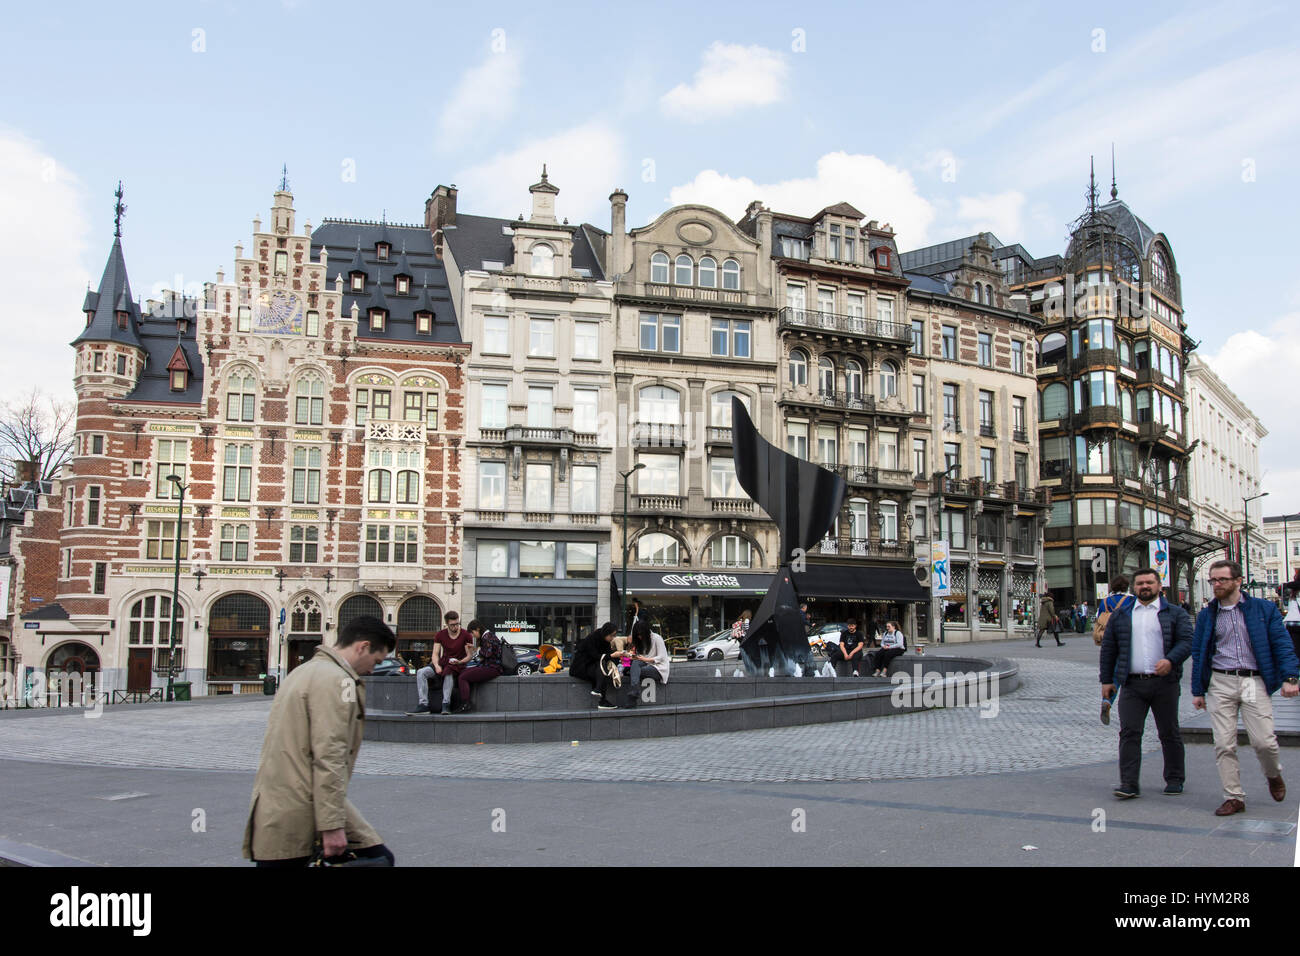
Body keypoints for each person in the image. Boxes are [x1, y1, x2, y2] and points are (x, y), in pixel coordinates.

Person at [243, 615, 396, 867]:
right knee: (379, 860)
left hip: (280, 803)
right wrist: (332, 826)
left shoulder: (302, 671)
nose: (372, 670)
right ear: (363, 647)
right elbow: (330, 754)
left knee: (379, 856)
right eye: (376, 661)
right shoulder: (339, 680)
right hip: (301, 804)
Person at [1190, 560, 1300, 816]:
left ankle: (1273, 775)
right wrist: (1198, 690)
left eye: (1222, 580)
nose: (1216, 585)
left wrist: (1291, 677)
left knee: (1264, 742)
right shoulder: (1208, 615)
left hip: (1252, 681)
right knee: (1224, 744)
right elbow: (1199, 652)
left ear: (1238, 581)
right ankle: (1234, 796)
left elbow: (1282, 644)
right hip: (1221, 682)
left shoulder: (1262, 610)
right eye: (1213, 580)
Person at [1099, 567, 1193, 800]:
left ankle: (1174, 779)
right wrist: (1107, 681)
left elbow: (1187, 641)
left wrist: (1170, 660)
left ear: (1160, 586)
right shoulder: (1122, 614)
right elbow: (1109, 649)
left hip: (1165, 683)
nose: (1144, 586)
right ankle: (1129, 783)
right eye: (1140, 583)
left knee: (1169, 732)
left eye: (1149, 582)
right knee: (1129, 732)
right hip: (1132, 683)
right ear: (1134, 587)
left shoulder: (1174, 613)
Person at [408, 611, 473, 715]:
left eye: (457, 624)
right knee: (421, 672)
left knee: (448, 672)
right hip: (443, 662)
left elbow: (469, 656)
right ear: (447, 624)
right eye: (452, 625)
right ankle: (423, 704)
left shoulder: (466, 635)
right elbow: (435, 653)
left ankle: (445, 704)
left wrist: (460, 661)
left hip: (457, 665)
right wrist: (437, 665)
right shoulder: (440, 634)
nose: (455, 627)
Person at [1097, 576, 1136, 725]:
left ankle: (1107, 700)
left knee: (1111, 669)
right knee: (1123, 668)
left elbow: (1099, 617)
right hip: (1125, 638)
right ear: (1127, 586)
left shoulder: (1105, 601)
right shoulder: (1130, 600)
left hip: (1108, 637)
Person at [452, 620, 504, 714]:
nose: (473, 635)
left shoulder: (487, 637)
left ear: (478, 629)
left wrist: (476, 650)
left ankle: (465, 703)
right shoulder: (488, 636)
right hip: (490, 667)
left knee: (463, 677)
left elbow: (487, 654)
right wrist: (475, 649)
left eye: (472, 632)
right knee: (463, 673)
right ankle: (464, 701)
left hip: (492, 668)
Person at [617, 620, 670, 707]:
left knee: (634, 671)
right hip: (645, 664)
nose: (639, 637)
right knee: (635, 664)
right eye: (637, 635)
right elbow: (640, 658)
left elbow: (662, 657)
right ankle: (634, 691)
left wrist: (646, 659)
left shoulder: (657, 638)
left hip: (658, 668)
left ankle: (634, 693)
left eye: (641, 635)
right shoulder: (640, 641)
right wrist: (632, 656)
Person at [570, 622, 619, 709]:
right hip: (581, 667)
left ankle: (598, 692)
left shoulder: (605, 640)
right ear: (606, 633)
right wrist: (611, 655)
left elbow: (607, 654)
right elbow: (595, 655)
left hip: (593, 665)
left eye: (614, 635)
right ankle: (599, 693)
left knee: (602, 666)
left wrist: (618, 656)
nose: (613, 638)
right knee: (602, 665)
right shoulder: (592, 638)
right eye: (612, 635)